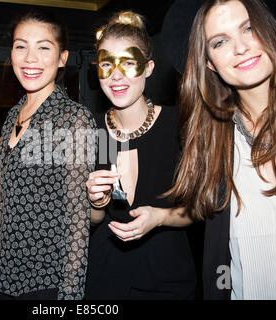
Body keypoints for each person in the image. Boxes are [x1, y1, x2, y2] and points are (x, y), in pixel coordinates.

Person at [166, 0, 276, 299]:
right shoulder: (211, 144)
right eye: (220, 41)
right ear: (210, 63)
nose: (240, 48)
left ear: (272, 31)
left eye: (249, 28)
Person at [0, 9, 97, 300]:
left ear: (62, 58)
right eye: (21, 46)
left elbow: (78, 221)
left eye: (43, 47)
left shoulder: (73, 119)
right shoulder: (12, 115)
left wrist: (69, 296)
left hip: (41, 285)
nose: (30, 58)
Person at [84, 11, 196, 300]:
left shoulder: (179, 125)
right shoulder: (92, 130)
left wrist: (160, 217)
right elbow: (94, 220)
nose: (116, 76)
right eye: (107, 64)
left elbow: (200, 209)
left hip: (167, 281)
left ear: (148, 68)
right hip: (104, 282)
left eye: (129, 63)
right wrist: (96, 202)